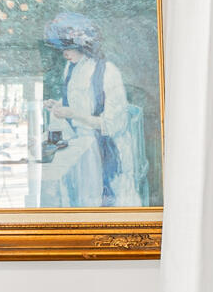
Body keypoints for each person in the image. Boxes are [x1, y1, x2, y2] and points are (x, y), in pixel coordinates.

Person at [39, 12, 145, 208]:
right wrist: (59, 105)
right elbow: (76, 101)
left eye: (68, 48)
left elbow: (113, 124)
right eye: (62, 49)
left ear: (82, 45)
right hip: (83, 145)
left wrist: (74, 114)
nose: (64, 54)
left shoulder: (108, 72)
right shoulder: (70, 68)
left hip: (108, 147)